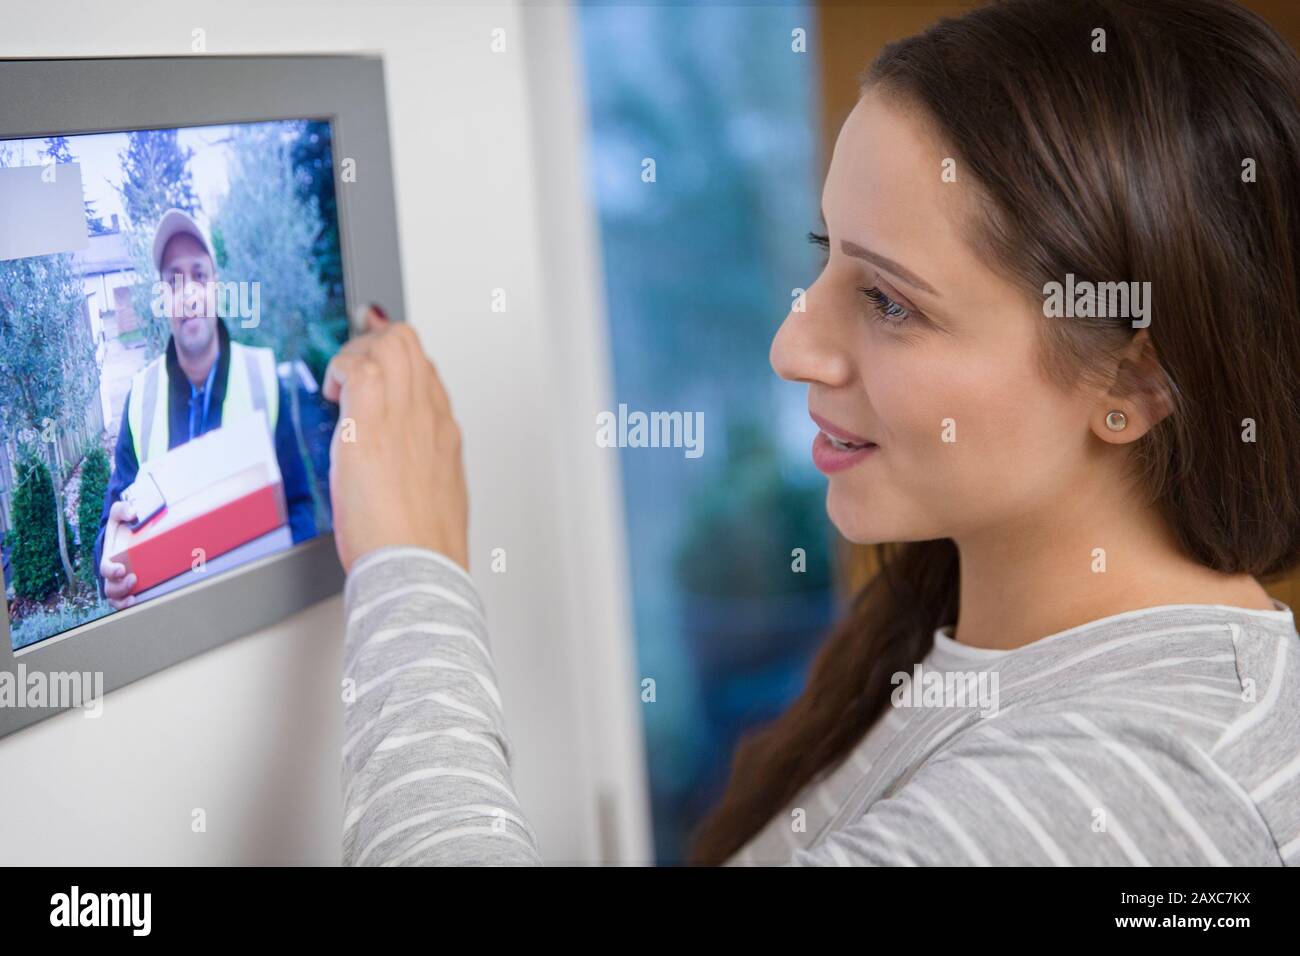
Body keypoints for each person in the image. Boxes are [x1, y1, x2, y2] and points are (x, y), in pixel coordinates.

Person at [329, 0, 1300, 866]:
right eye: (823, 256)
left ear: (1128, 383)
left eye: (887, 298)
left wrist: (410, 568)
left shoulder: (1131, 796)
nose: (793, 344)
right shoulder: (966, 643)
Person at [95, 209, 317, 609]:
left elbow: (300, 507)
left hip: (260, 621)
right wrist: (107, 568)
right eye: (174, 280)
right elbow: (112, 527)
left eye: (199, 275)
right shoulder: (140, 400)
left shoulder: (262, 377)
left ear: (217, 287)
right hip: (179, 640)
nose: (189, 293)